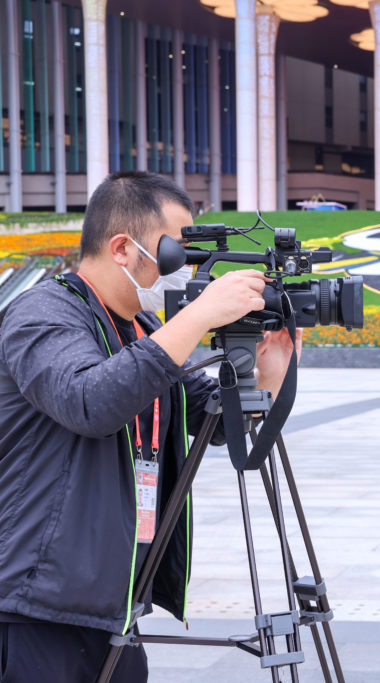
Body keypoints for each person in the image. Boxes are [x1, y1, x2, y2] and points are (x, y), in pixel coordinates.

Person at [0, 171, 296, 682]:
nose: (186, 271)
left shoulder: (142, 327)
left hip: (114, 598)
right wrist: (199, 316)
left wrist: (264, 374)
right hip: (37, 602)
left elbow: (209, 418)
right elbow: (90, 401)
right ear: (122, 247)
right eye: (177, 254)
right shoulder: (43, 314)